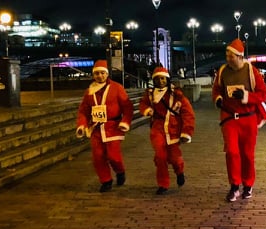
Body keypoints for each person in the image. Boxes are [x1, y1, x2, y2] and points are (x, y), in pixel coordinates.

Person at [212, 38, 266, 202]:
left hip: (248, 118)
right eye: (226, 54)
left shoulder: (251, 71)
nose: (227, 57)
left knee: (247, 154)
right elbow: (216, 89)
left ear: (239, 56)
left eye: (230, 55)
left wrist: (246, 96)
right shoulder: (223, 71)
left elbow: (263, 94)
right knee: (232, 152)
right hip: (229, 117)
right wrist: (218, 98)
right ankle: (234, 186)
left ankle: (248, 184)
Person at [75, 60, 134, 192]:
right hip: (96, 128)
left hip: (113, 126)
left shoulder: (117, 87)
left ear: (107, 74)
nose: (100, 76)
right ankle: (106, 180)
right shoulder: (90, 91)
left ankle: (120, 171)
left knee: (114, 156)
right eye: (97, 74)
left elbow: (127, 107)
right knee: (98, 157)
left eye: (102, 73)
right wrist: (81, 125)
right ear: (93, 75)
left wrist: (125, 121)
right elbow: (83, 110)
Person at [139, 66, 195, 195]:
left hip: (173, 129)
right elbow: (143, 104)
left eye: (163, 78)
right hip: (157, 128)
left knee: (175, 158)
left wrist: (187, 132)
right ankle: (163, 183)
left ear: (167, 79)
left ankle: (179, 171)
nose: (160, 81)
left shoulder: (177, 94)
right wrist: (147, 110)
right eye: (157, 78)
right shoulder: (150, 94)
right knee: (160, 156)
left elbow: (188, 113)